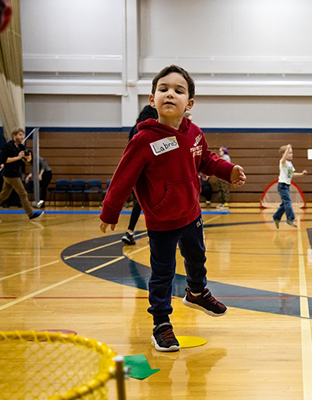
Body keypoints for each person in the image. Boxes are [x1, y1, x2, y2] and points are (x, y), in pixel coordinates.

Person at [99, 65, 246, 352]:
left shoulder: (194, 134)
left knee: (197, 258)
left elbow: (206, 160)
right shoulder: (143, 140)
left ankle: (196, 292)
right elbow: (122, 178)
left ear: (188, 103)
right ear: (152, 99)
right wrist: (110, 210)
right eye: (163, 89)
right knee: (163, 273)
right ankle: (161, 325)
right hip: (161, 219)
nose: (170, 94)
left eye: (178, 91)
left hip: (191, 213)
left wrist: (228, 170)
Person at [0, 128, 43, 221]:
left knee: (3, 195)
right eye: (20, 135)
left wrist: (28, 157)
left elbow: (28, 161)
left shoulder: (21, 147)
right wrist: (18, 157)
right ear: (14, 136)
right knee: (23, 193)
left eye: (22, 135)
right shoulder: (8, 146)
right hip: (11, 174)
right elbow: (5, 160)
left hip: (15, 173)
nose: (22, 137)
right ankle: (30, 214)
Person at [121, 105, 158, 245]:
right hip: (150, 168)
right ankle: (154, 234)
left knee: (139, 202)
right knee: (155, 201)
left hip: (136, 169)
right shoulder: (152, 129)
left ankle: (130, 231)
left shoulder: (134, 128)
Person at [272, 144, 307, 228]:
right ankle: (290, 219)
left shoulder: (290, 164)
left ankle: (276, 217)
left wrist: (302, 174)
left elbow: (292, 175)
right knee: (288, 202)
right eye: (289, 153)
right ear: (284, 154)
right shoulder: (283, 162)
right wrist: (287, 149)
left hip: (286, 186)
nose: (291, 154)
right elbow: (283, 159)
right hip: (282, 185)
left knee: (285, 204)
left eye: (291, 153)